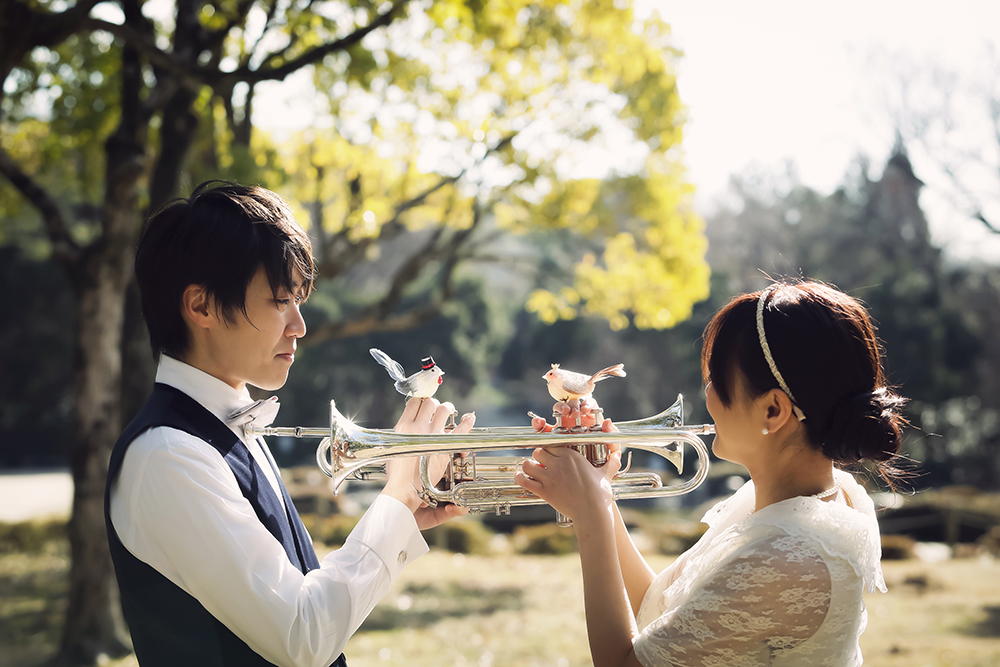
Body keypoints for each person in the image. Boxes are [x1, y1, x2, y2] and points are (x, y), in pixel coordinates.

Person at [105, 181, 474, 667]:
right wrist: (398, 493)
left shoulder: (226, 421)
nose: (299, 325)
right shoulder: (169, 456)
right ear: (201, 307)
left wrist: (407, 515)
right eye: (280, 302)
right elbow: (303, 636)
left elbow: (295, 596)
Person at [515, 280, 907, 666]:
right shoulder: (800, 500)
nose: (708, 397)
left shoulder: (789, 557)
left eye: (717, 381)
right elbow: (657, 605)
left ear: (773, 411)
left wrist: (591, 514)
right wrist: (600, 489)